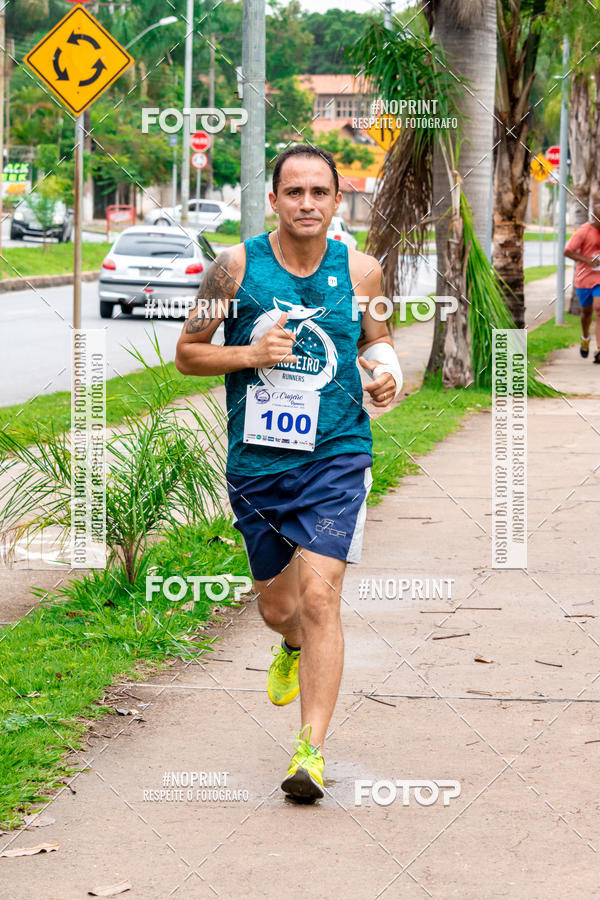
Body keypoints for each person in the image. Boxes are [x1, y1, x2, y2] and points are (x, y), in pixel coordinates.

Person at [175, 144, 403, 803]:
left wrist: (386, 374)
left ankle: (311, 752)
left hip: (336, 457)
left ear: (337, 201)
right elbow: (189, 355)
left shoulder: (361, 270)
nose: (307, 203)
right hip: (257, 466)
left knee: (319, 598)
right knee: (280, 608)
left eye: (320, 193)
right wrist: (250, 350)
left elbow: (377, 339)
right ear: (273, 200)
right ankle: (291, 647)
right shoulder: (234, 268)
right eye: (294, 192)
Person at [564, 199, 600, 362]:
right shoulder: (584, 231)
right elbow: (568, 251)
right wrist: (587, 260)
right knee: (586, 313)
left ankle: (599, 350)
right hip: (584, 278)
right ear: (595, 217)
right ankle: (585, 338)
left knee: (599, 310)